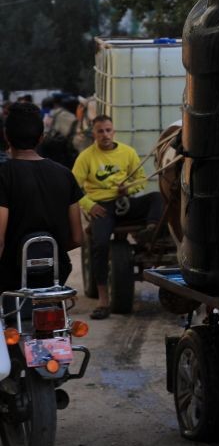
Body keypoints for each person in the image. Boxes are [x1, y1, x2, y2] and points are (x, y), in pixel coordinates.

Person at [72, 114, 163, 320]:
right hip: (102, 207)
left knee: (156, 197)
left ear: (113, 131)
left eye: (108, 130)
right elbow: (73, 186)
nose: (105, 135)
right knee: (101, 245)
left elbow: (141, 179)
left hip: (125, 201)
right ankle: (103, 301)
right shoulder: (86, 157)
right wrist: (90, 205)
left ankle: (150, 230)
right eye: (100, 131)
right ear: (94, 133)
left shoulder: (128, 152)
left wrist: (129, 188)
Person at [0, 103, 83, 293]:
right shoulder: (65, 175)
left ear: (6, 136)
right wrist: (48, 255)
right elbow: (77, 238)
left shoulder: (3, 175)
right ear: (41, 138)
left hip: (10, 280)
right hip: (54, 277)